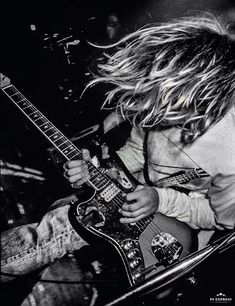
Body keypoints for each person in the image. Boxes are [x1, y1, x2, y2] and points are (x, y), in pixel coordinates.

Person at [1, 14, 235, 297]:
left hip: (177, 230)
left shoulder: (229, 152)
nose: (159, 107)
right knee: (61, 210)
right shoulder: (161, 101)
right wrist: (97, 171)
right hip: (134, 194)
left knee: (57, 229)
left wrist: (161, 199)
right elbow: (136, 153)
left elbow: (219, 218)